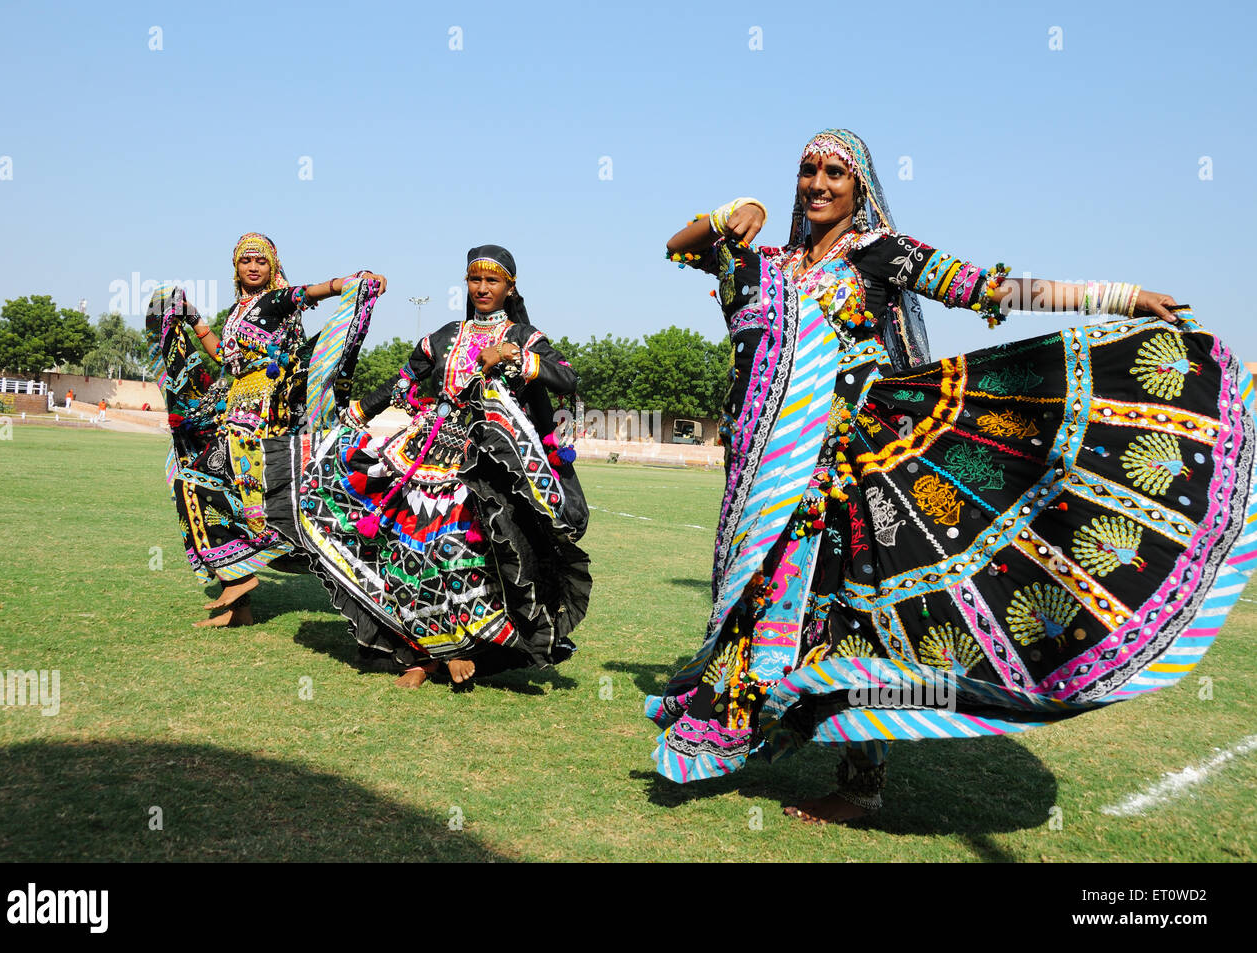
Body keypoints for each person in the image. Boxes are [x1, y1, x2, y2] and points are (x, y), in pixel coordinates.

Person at [648, 129, 1257, 823]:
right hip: (769, 472)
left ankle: (860, 782)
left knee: (865, 617)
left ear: (860, 188)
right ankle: (764, 720)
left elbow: (991, 289)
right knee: (765, 603)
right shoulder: (771, 265)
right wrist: (732, 210)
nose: (818, 183)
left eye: (835, 173)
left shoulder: (882, 253)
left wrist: (1120, 296)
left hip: (852, 471)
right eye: (808, 170)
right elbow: (680, 247)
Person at [262, 245, 591, 687]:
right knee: (409, 554)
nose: (482, 288)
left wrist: (512, 355)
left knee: (465, 556)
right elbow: (402, 382)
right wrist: (356, 413)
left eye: (492, 281)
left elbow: (566, 377)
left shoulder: (524, 336)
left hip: (488, 466)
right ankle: (422, 656)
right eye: (475, 279)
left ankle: (461, 649)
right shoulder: (445, 336)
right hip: (429, 451)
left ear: (510, 288)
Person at [145, 232, 385, 627]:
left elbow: (311, 292)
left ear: (272, 266)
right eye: (246, 261)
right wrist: (196, 320)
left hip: (260, 416)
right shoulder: (238, 310)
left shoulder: (276, 300)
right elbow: (225, 357)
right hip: (234, 407)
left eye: (261, 261)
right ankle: (239, 607)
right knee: (193, 481)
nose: (253, 267)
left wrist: (350, 282)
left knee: (202, 486)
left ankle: (242, 574)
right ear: (235, 267)